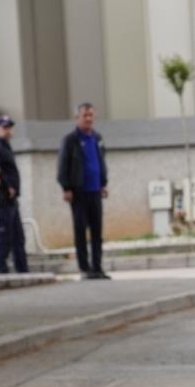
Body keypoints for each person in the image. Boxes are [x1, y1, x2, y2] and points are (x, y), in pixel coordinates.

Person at [57, 102, 110, 278]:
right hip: (79, 192)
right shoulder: (70, 140)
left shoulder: (97, 138)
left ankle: (97, 267)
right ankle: (85, 268)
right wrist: (66, 187)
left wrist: (103, 183)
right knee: (81, 230)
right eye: (84, 115)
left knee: (97, 231)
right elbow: (63, 165)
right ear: (77, 117)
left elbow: (101, 162)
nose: (88, 119)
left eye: (91, 115)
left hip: (95, 190)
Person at [0, 115, 27, 274]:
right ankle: (0, 266)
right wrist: (7, 187)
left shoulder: (4, 145)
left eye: (9, 127)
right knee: (4, 232)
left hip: (12, 196)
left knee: (17, 234)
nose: (8, 131)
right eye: (4, 128)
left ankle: (22, 268)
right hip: (4, 195)